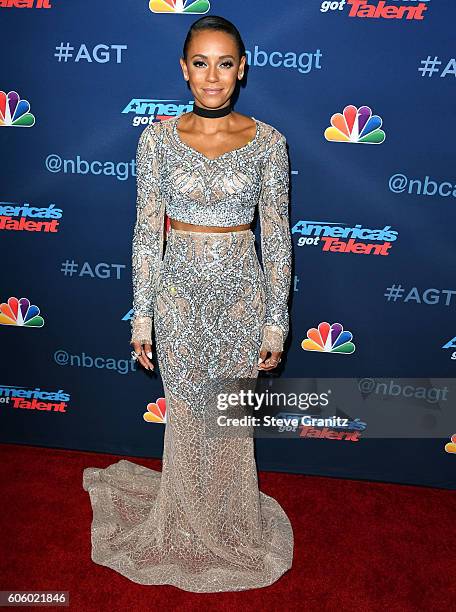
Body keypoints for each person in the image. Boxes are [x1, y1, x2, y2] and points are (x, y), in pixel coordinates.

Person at [82, 15, 293, 593]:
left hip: (240, 301)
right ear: (184, 67)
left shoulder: (270, 143)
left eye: (225, 63)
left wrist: (276, 324)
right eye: (200, 62)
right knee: (186, 416)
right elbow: (147, 231)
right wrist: (142, 313)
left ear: (242, 68)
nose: (212, 76)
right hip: (176, 297)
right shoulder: (155, 139)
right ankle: (179, 517)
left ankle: (229, 518)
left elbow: (276, 238)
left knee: (229, 418)